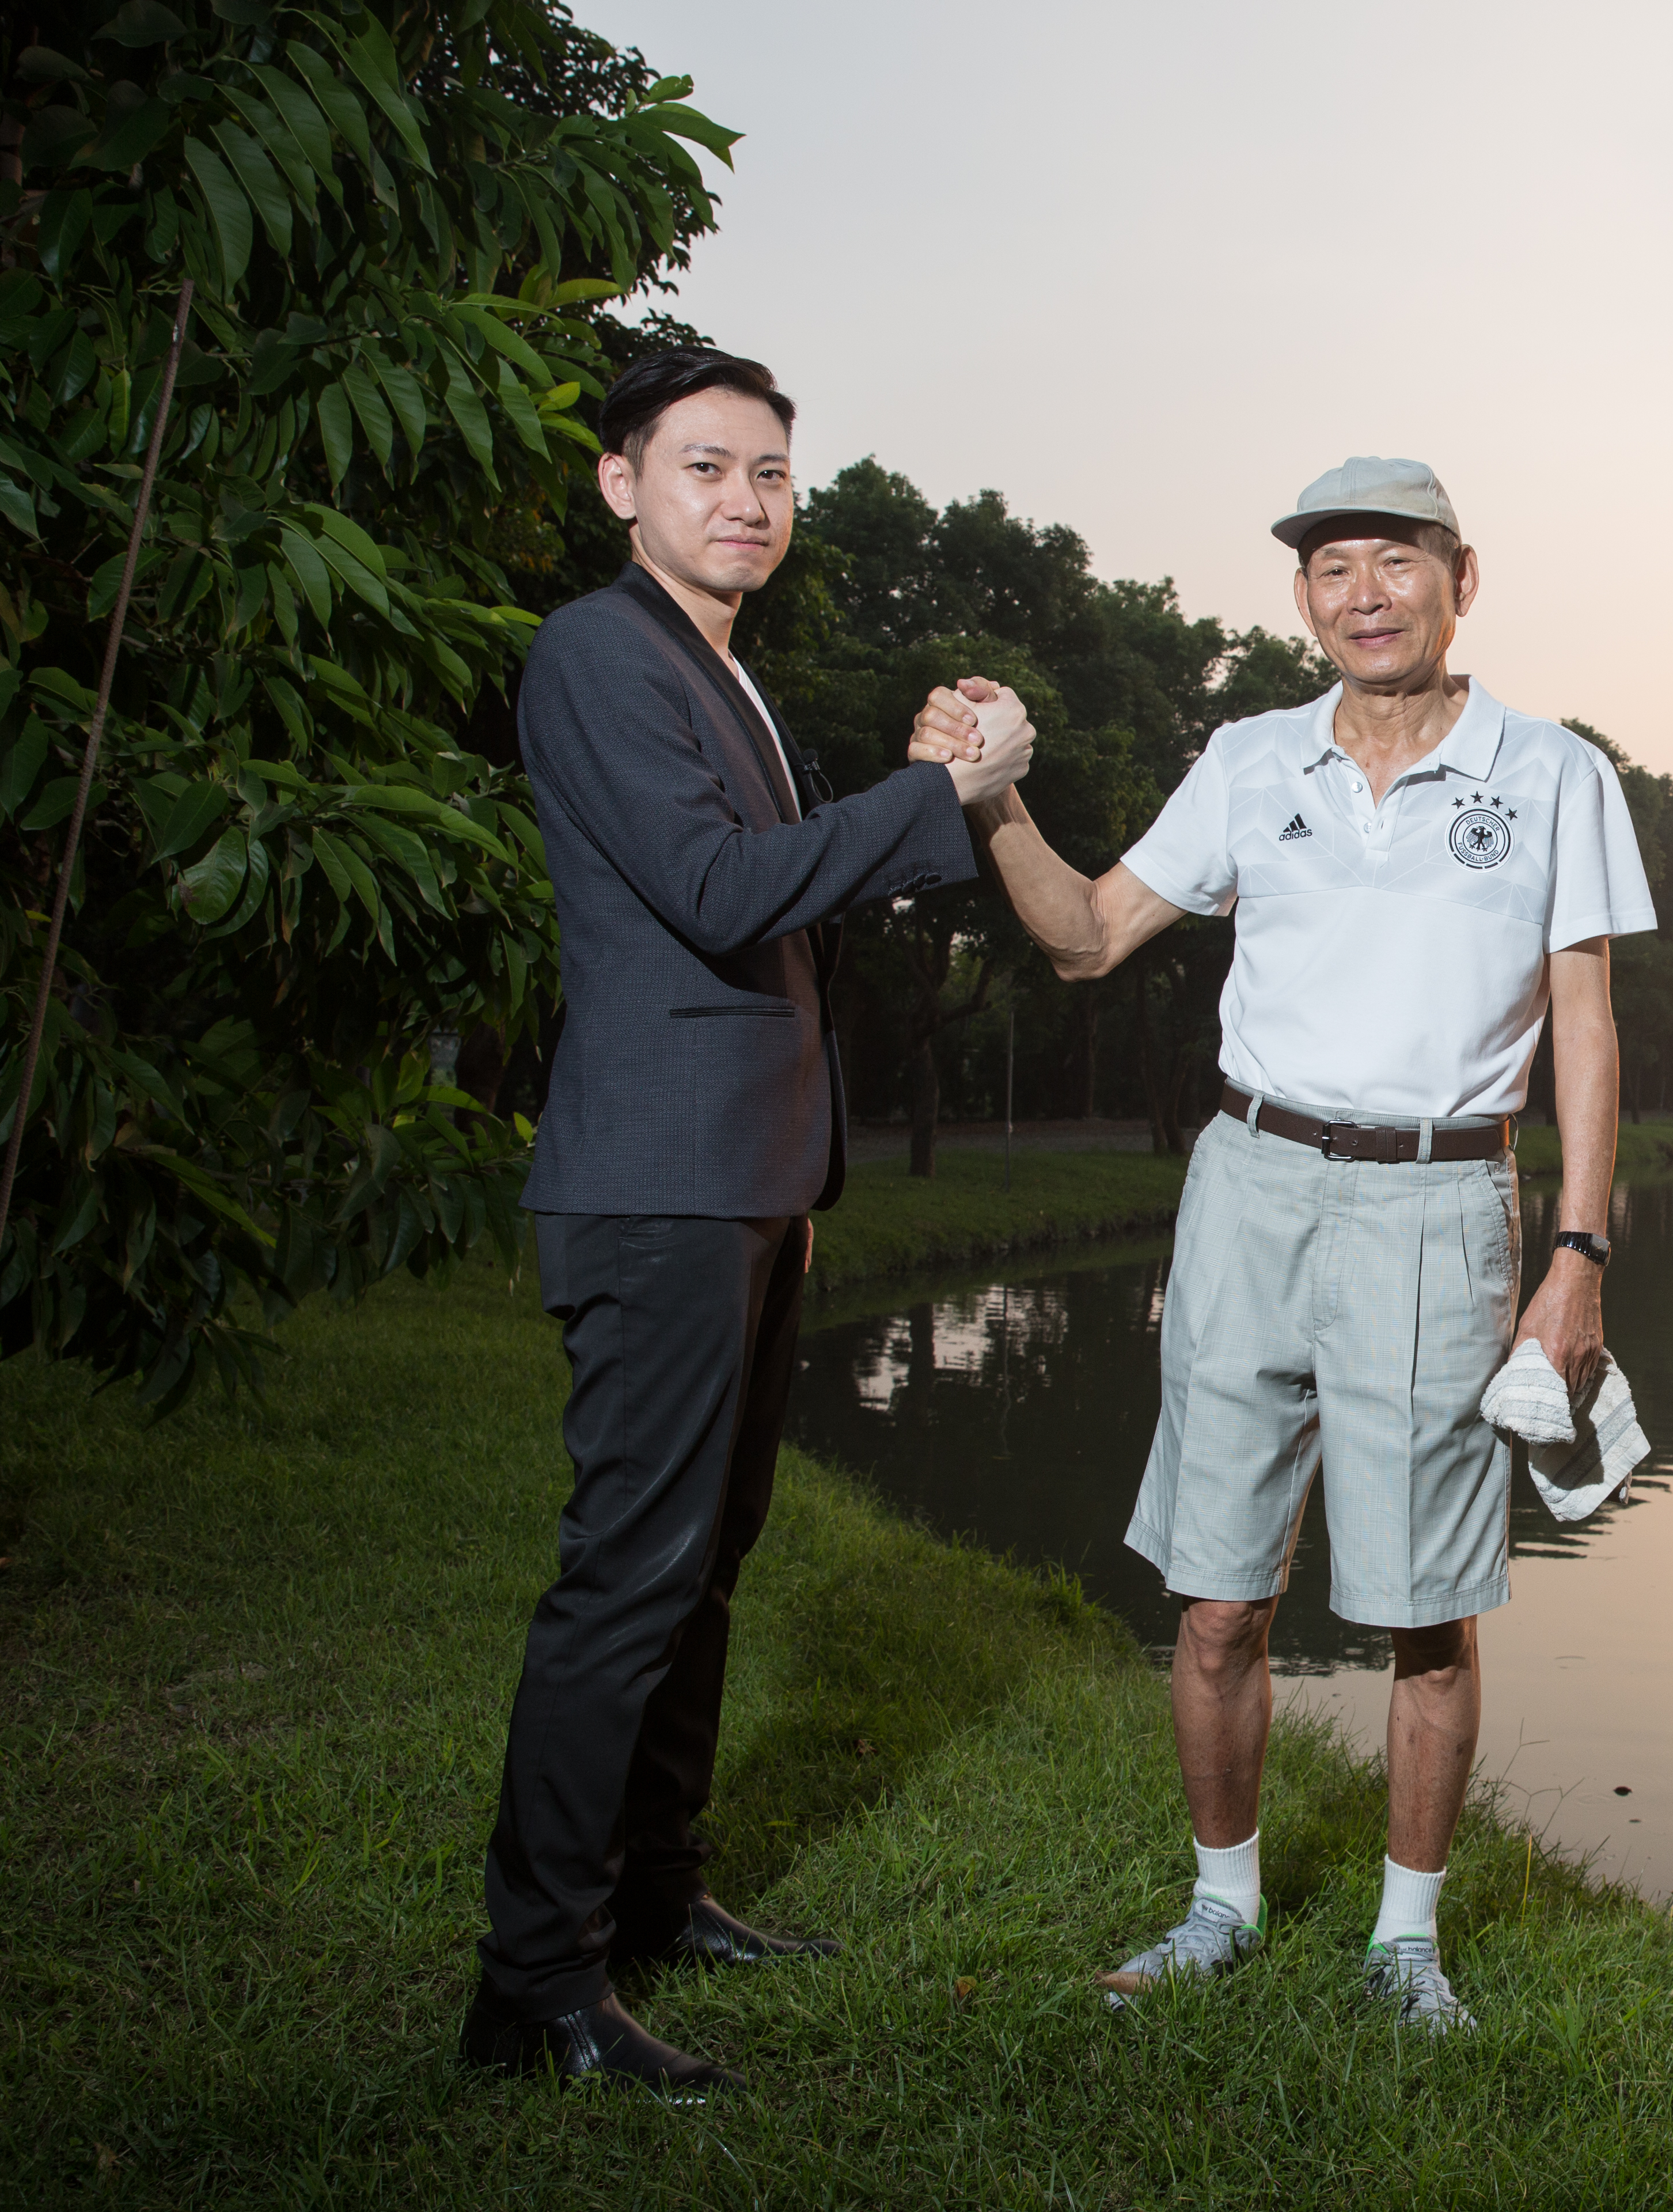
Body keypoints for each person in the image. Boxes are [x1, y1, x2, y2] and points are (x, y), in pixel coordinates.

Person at [906, 457, 1651, 2033]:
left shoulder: (1555, 774)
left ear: (1463, 578)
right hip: (1249, 1190)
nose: (1366, 596)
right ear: (1302, 600)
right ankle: (1221, 1909)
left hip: (1440, 1203)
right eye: (1332, 570)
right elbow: (1088, 937)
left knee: (1423, 1609)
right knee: (1219, 1598)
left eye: (1397, 562)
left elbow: (1585, 1025)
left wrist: (1578, 1253)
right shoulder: (1251, 759)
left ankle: (1405, 1948)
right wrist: (993, 804)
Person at [464, 347, 1034, 2094]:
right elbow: (715, 895)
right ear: (622, 484)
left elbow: (789, 905)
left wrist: (923, 791)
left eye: (772, 474)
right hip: (660, 1185)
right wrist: (941, 798)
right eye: (705, 466)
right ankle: (533, 1987)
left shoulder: (730, 675)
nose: (746, 500)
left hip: (757, 1178)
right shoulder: (598, 650)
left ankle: (655, 1897)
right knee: (629, 1575)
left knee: (706, 1565)